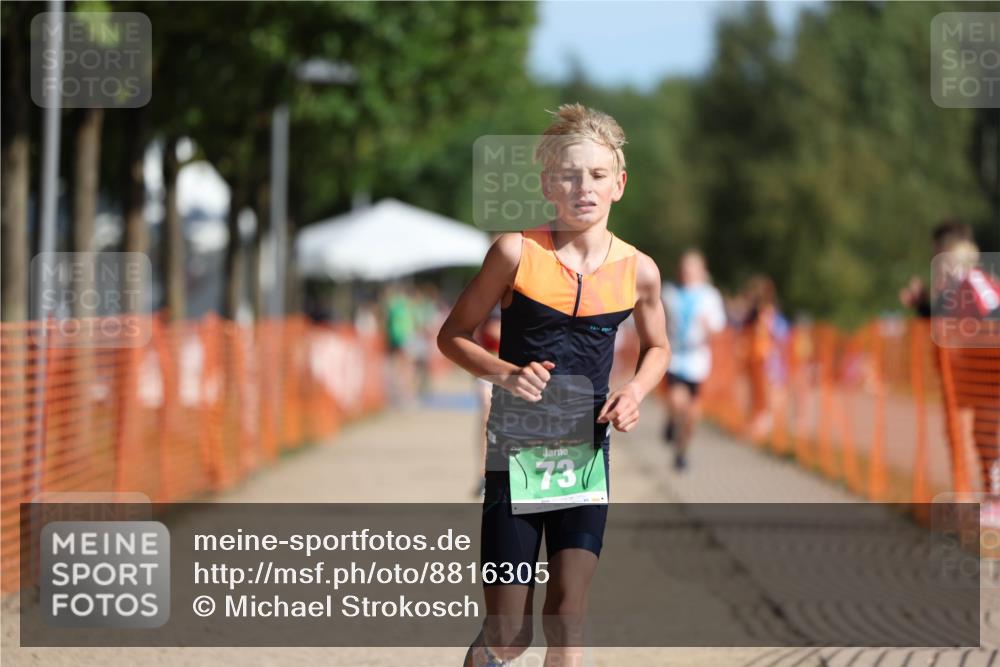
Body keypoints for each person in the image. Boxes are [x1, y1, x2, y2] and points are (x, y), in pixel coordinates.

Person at [437, 103, 669, 666]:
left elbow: (659, 347)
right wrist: (506, 373)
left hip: (584, 451)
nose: (582, 187)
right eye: (569, 174)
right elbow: (453, 336)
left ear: (619, 183)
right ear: (548, 184)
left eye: (596, 175)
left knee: (568, 617)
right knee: (509, 633)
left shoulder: (639, 271)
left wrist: (635, 392)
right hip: (515, 453)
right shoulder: (515, 253)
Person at [660, 251, 726, 470]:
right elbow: (659, 318)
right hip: (675, 357)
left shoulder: (710, 296)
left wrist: (709, 327)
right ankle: (670, 420)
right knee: (677, 402)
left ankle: (681, 452)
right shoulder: (669, 292)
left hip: (697, 360)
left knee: (692, 415)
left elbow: (718, 327)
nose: (687, 272)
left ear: (701, 270)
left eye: (692, 268)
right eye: (684, 267)